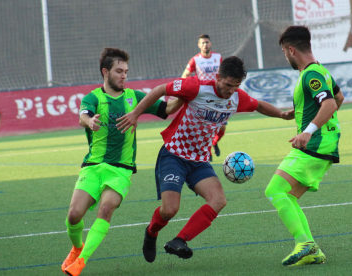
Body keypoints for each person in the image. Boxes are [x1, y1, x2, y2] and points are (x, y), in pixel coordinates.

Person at [116, 56, 295, 262]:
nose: (230, 91)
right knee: (170, 210)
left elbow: (258, 105)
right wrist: (135, 114)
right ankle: (151, 233)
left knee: (218, 200)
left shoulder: (236, 97)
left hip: (199, 161)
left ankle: (179, 240)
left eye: (235, 86)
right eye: (228, 85)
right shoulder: (196, 87)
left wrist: (281, 115)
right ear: (218, 77)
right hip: (174, 154)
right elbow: (160, 90)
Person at [61, 48, 182, 276]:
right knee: (74, 215)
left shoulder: (134, 97)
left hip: (121, 170)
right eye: (119, 71)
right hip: (93, 167)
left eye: (126, 71)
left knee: (106, 209)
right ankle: (77, 248)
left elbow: (168, 109)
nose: (124, 76)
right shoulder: (93, 97)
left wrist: (182, 95)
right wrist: (89, 122)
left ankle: (81, 262)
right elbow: (82, 116)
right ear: (105, 72)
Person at [264, 25, 345, 266]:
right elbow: (339, 98)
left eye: (283, 52)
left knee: (274, 190)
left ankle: (305, 244)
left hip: (316, 145)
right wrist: (301, 115)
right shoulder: (321, 71)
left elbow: (330, 104)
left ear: (291, 50)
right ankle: (311, 249)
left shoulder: (310, 74)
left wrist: (309, 131)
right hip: (325, 144)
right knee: (287, 195)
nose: (285, 56)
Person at [181, 34, 225, 160]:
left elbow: (223, 73)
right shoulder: (195, 60)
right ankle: (208, 151)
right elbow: (185, 75)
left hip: (218, 95)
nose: (205, 45)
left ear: (210, 44)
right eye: (203, 43)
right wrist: (184, 87)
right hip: (203, 97)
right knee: (206, 127)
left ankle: (214, 143)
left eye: (207, 42)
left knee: (222, 127)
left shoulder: (218, 57)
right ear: (199, 45)